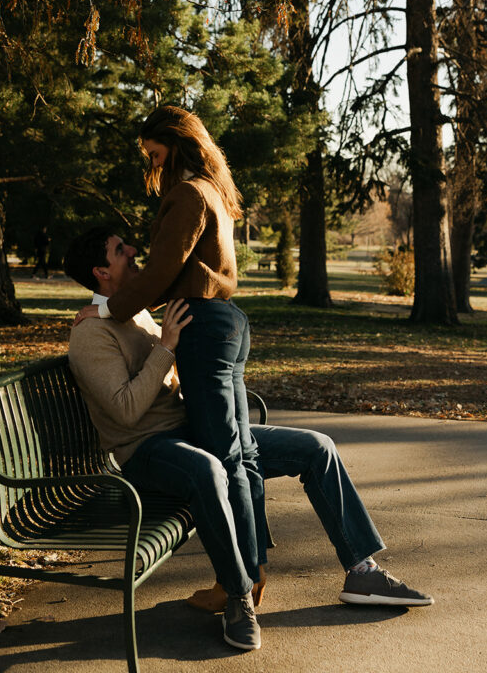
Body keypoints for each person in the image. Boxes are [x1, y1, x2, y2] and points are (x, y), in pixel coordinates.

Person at [65, 227, 433, 653]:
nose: (132, 251)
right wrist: (166, 347)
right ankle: (239, 596)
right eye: (119, 249)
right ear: (101, 271)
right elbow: (126, 409)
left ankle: (362, 569)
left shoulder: (133, 313)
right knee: (211, 470)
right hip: (148, 451)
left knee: (316, 447)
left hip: (193, 431)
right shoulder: (90, 334)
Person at [72, 106, 265, 643]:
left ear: (175, 144)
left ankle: (242, 587)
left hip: (202, 324)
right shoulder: (212, 188)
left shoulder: (187, 194)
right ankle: (244, 581)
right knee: (238, 456)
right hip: (222, 320)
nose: (152, 165)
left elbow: (161, 270)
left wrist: (108, 309)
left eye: (155, 154)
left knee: (228, 459)